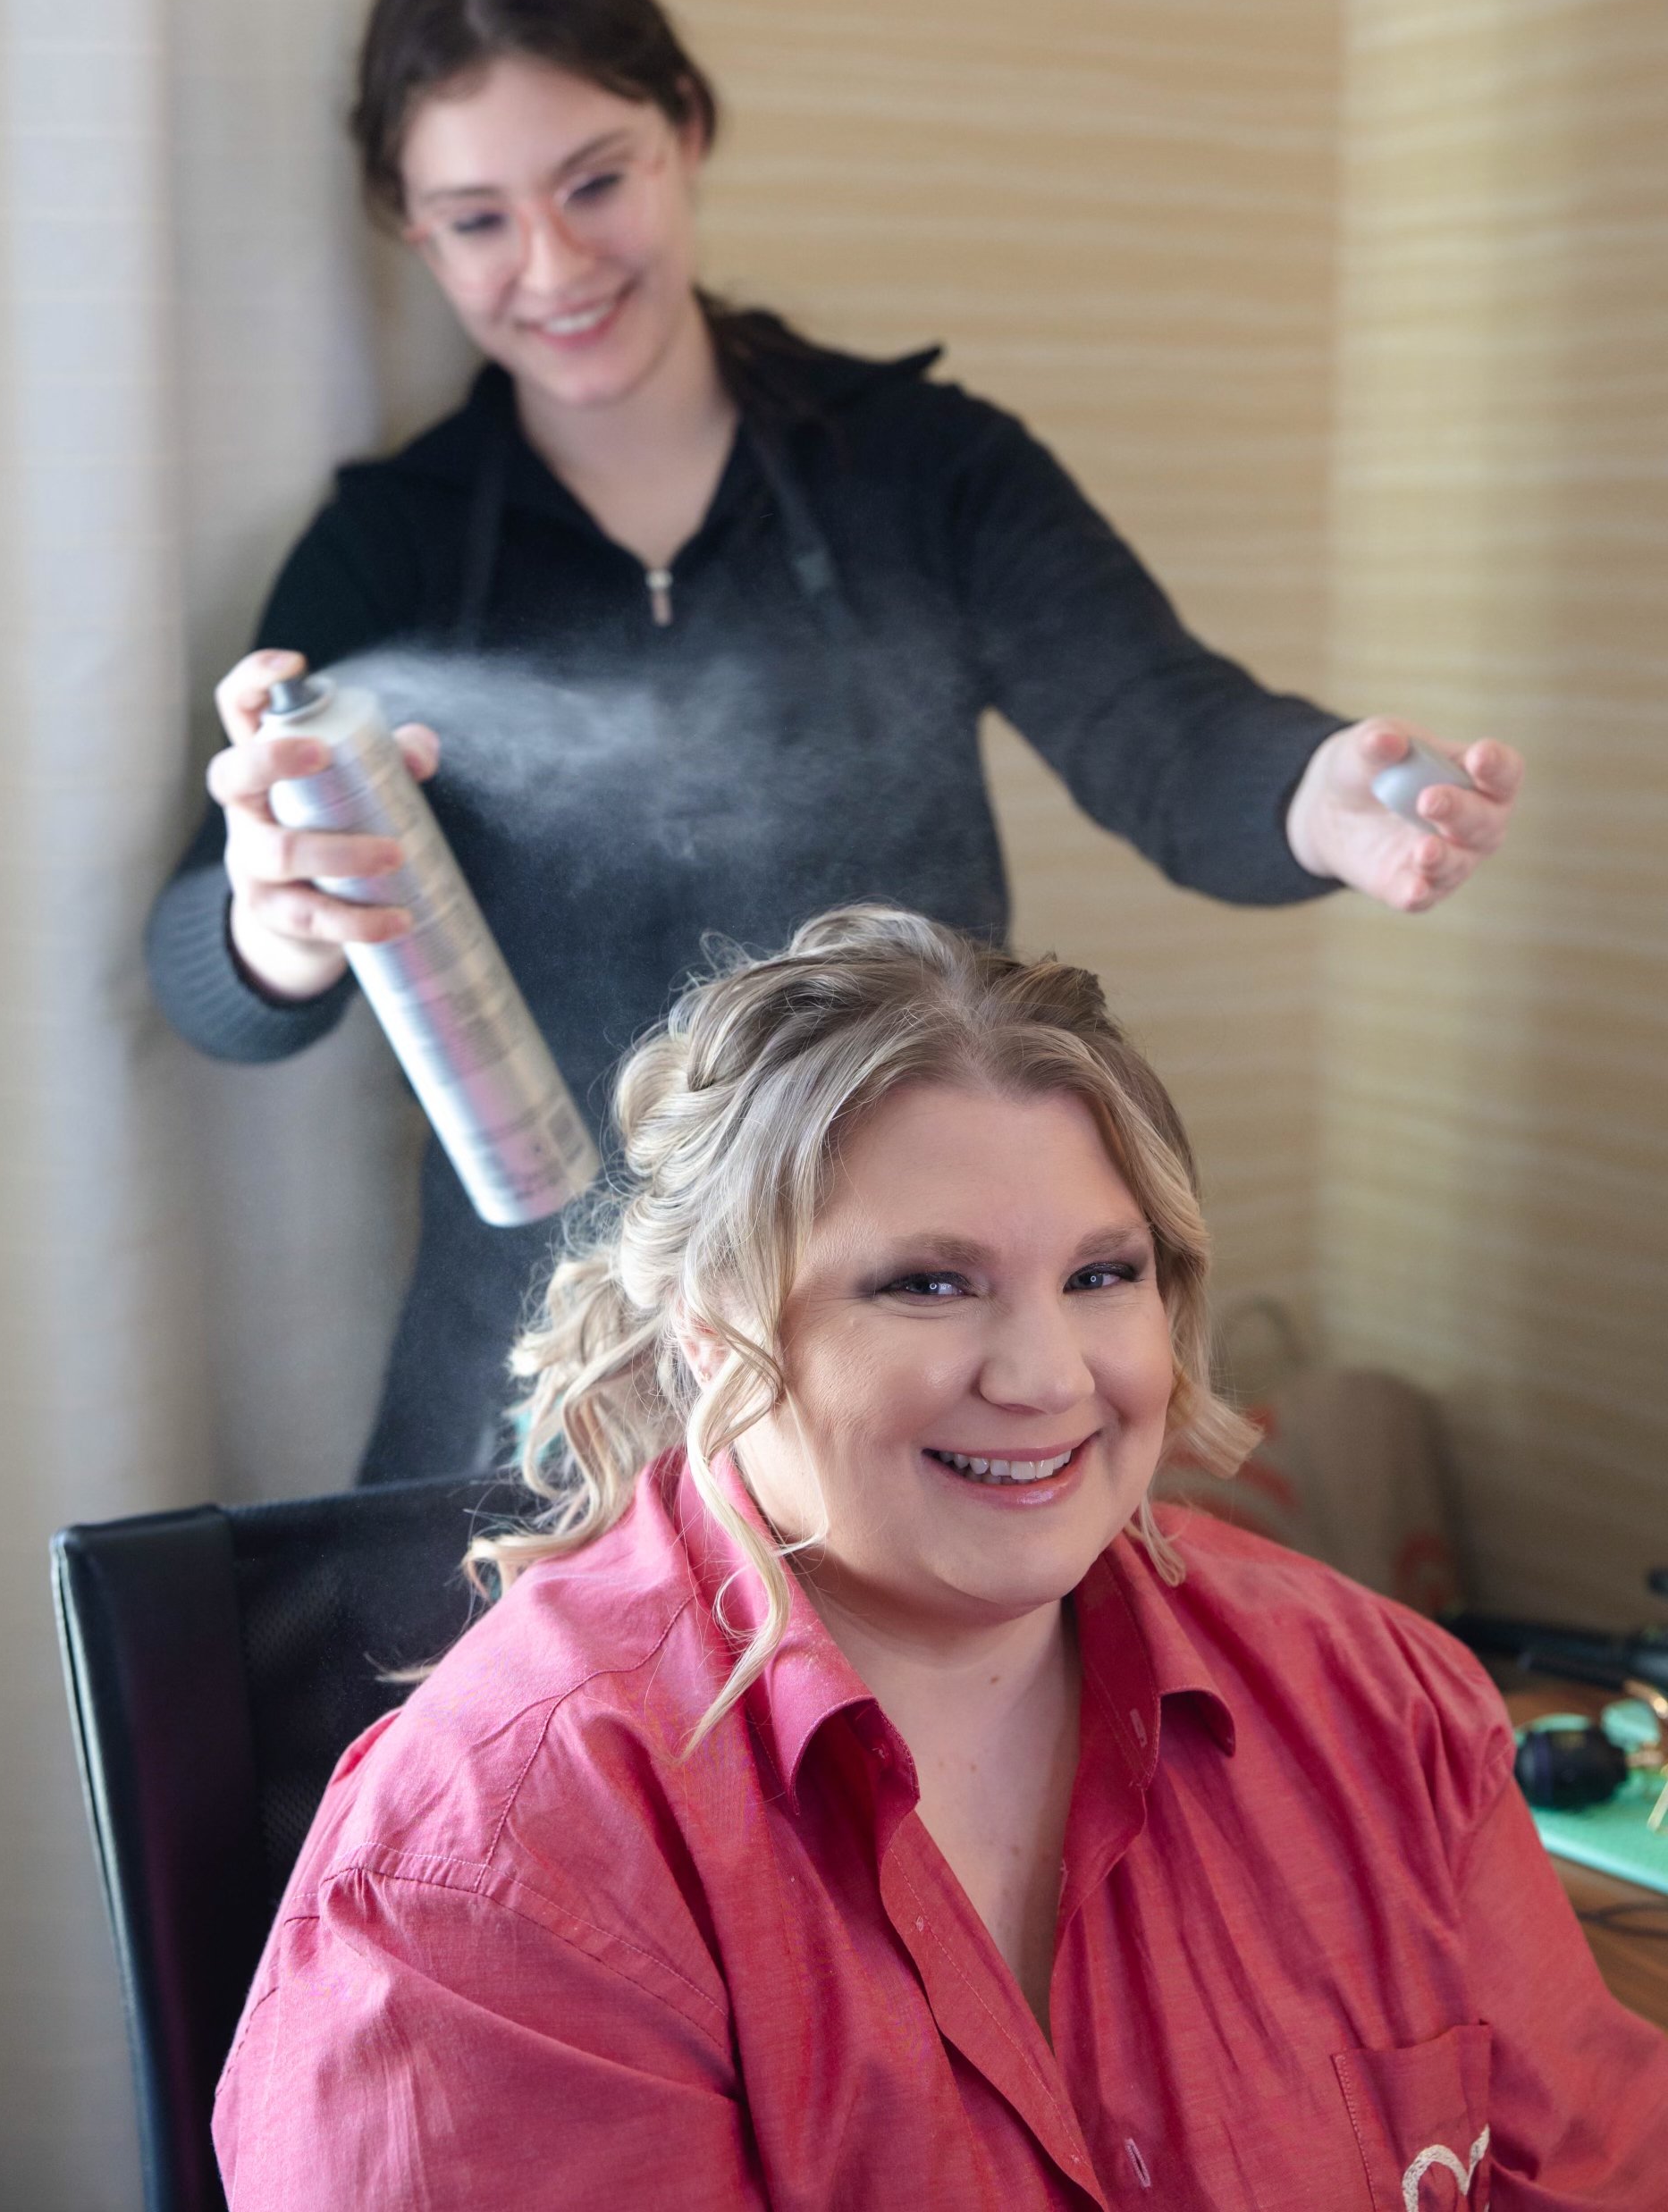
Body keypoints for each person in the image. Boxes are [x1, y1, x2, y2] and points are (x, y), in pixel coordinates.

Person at [147, 0, 1523, 1482]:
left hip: (920, 1351)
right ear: (411, 230)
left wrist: (1315, 795)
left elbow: (1174, 737)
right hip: (535, 1381)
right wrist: (278, 918)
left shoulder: (928, 475)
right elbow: (200, 982)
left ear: (686, 128)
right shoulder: (387, 552)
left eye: (595, 181)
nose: (552, 265)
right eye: (476, 220)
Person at [213, 908, 1666, 2210]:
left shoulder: (1382, 1701)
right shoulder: (497, 1877)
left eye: (1102, 1275)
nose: (1048, 1377)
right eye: (927, 1283)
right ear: (713, 1332)